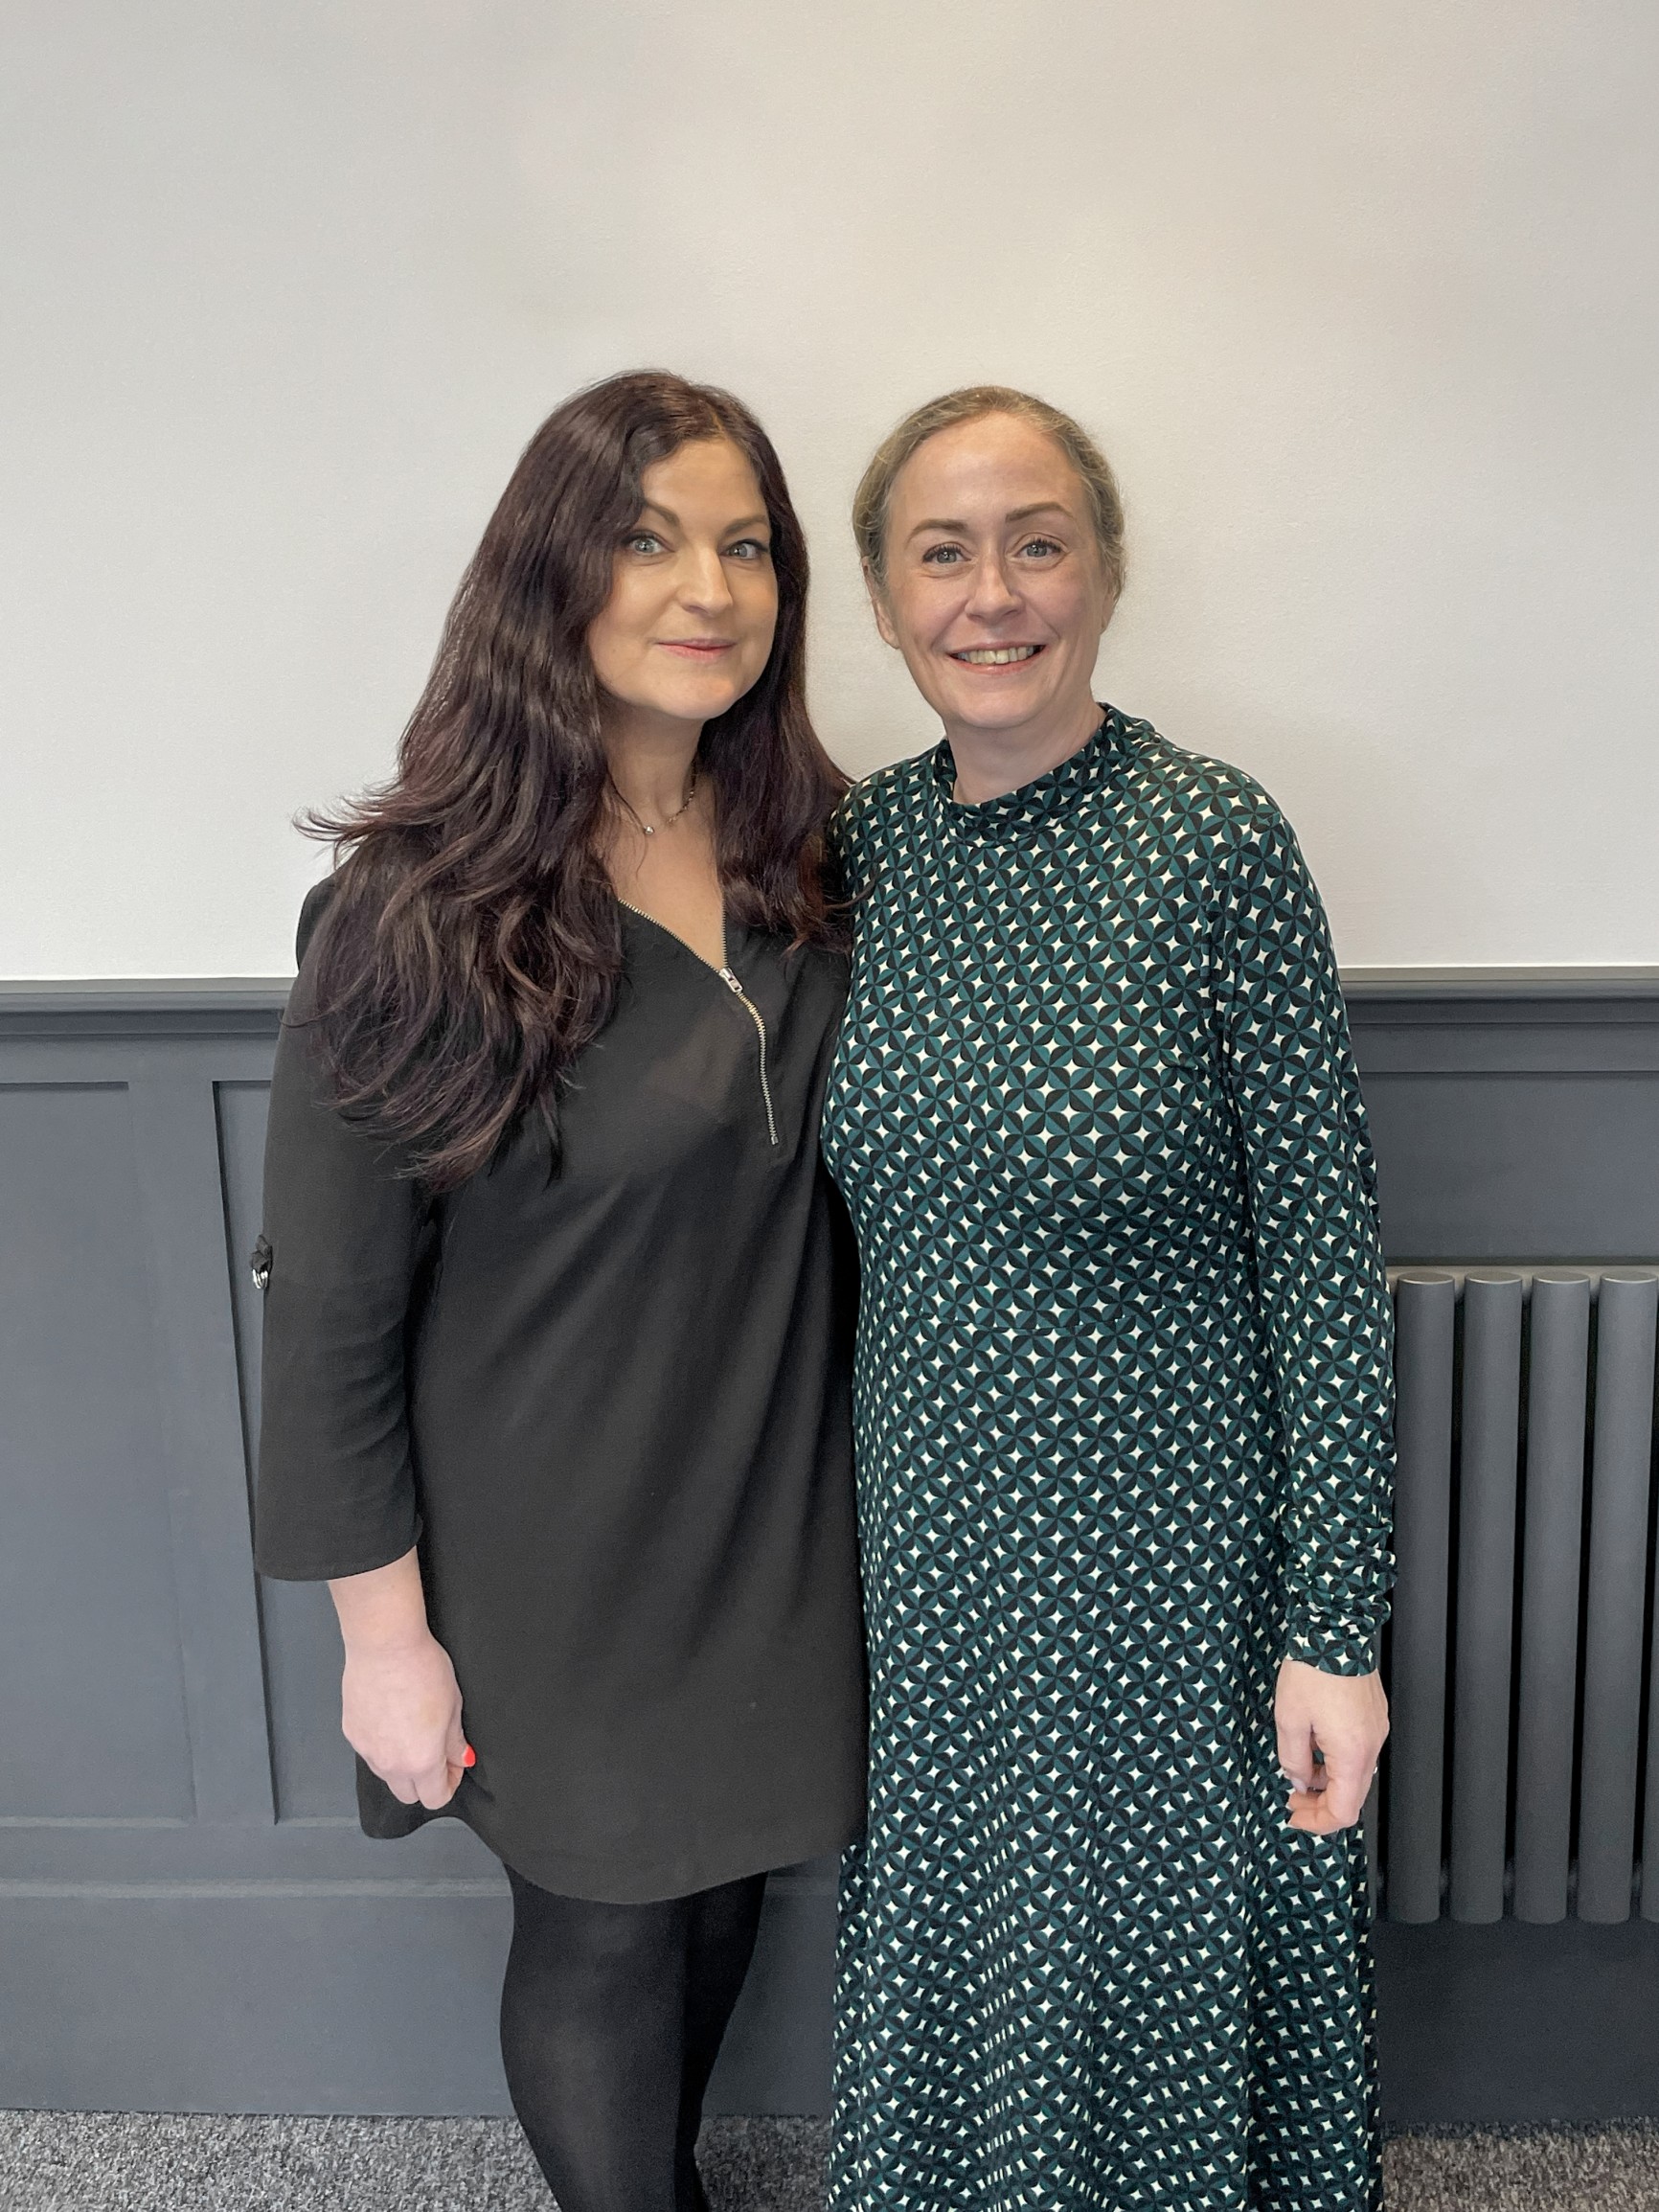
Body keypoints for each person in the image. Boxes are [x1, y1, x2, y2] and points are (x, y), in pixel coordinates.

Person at [252, 370, 865, 2212]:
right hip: (548, 1551)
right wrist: (385, 1639)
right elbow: (333, 1308)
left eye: (746, 543)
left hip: (769, 1521)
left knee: (731, 1887)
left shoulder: (815, 858)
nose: (710, 587)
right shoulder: (418, 905)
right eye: (647, 535)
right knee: (603, 1938)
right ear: (549, 576)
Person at [823, 386, 1394, 2212]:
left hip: (1176, 1578)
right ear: (886, 598)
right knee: (973, 1959)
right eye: (943, 551)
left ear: (1107, 570)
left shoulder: (1216, 841)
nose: (995, 594)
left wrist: (1339, 1627)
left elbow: (1324, 1257)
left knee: (1159, 1980)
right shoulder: (857, 855)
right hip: (935, 1561)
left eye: (1038, 539)